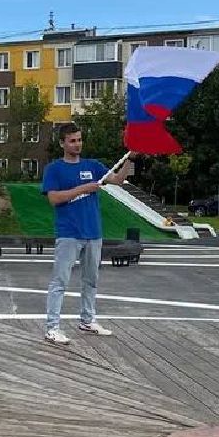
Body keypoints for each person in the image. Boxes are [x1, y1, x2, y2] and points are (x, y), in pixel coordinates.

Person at [41, 122, 131, 344]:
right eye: (72, 140)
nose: (77, 144)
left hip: (93, 232)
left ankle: (87, 319)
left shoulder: (93, 165)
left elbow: (118, 181)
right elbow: (53, 199)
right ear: (62, 143)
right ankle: (52, 327)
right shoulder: (54, 169)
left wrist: (131, 158)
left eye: (79, 139)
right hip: (69, 233)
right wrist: (83, 188)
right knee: (60, 281)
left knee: (91, 280)